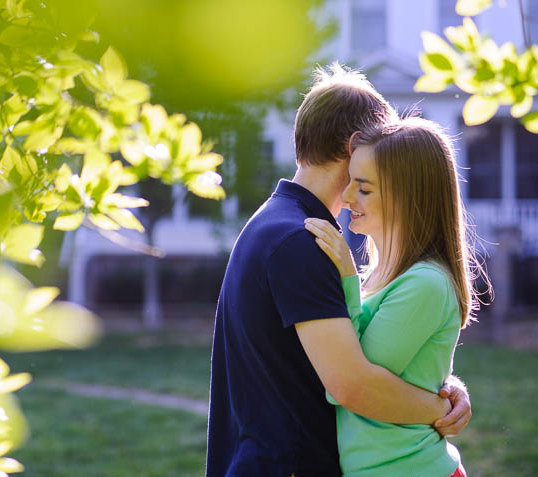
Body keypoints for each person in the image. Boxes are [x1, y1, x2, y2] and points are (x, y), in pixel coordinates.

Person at [205, 64, 471, 477]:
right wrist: (440, 406)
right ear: (355, 146)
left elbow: (372, 356)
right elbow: (353, 384)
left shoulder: (277, 224)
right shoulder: (301, 240)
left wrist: (445, 382)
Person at [304, 116, 486, 476]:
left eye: (364, 189)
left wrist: (346, 279)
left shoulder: (426, 284)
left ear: (408, 198)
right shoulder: (390, 275)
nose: (346, 196)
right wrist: (446, 392)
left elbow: (356, 382)